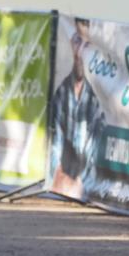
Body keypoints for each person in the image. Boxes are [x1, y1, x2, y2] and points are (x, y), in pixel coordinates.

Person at [48, 18, 106, 200]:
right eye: (77, 41)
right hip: (61, 186)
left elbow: (93, 166)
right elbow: (54, 149)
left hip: (83, 190)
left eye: (87, 45)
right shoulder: (62, 93)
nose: (80, 51)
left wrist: (78, 184)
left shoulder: (99, 101)